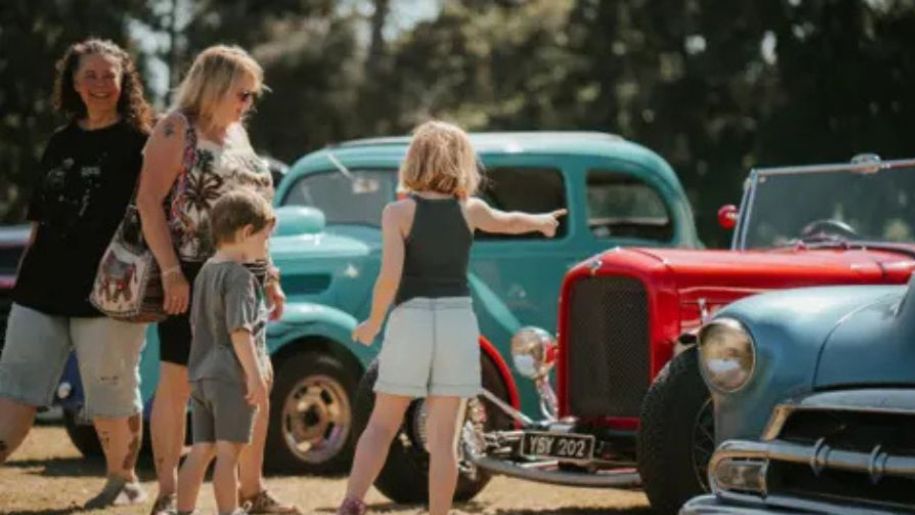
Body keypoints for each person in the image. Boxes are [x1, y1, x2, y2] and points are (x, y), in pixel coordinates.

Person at [338, 120, 567, 515]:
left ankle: (353, 502)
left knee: (381, 424)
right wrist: (541, 222)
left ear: (414, 161)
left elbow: (389, 276)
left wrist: (373, 322)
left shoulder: (398, 213)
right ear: (462, 164)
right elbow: (509, 220)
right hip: (457, 321)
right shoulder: (470, 210)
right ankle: (439, 512)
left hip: (411, 318)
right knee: (445, 437)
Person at [138, 45, 298, 515]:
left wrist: (269, 275)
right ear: (214, 86)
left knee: (255, 380)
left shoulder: (238, 134)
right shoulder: (175, 129)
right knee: (179, 380)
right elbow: (148, 202)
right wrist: (170, 272)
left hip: (244, 273)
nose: (248, 103)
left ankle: (253, 491)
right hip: (190, 272)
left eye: (253, 95)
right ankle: (168, 493)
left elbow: (253, 215)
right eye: (242, 93)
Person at [0, 38, 154, 508]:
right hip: (42, 287)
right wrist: (24, 280)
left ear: (124, 81)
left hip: (110, 290)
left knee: (111, 391)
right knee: (15, 388)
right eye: (89, 75)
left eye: (109, 75)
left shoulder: (142, 144)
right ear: (72, 82)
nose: (100, 84)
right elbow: (39, 222)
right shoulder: (59, 142)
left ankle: (121, 482)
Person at [175, 189, 276, 515]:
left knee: (200, 450)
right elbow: (240, 331)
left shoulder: (205, 272)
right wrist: (256, 377)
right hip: (231, 376)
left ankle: (183, 511)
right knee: (229, 452)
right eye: (264, 238)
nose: (265, 246)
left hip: (201, 374)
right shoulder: (241, 278)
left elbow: (196, 325)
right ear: (246, 233)